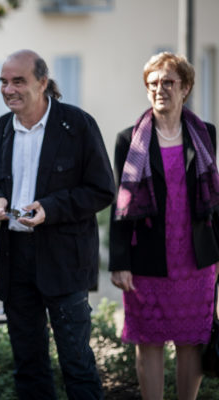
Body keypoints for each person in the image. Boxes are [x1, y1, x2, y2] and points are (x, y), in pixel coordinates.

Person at [0, 49, 115, 399]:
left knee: (77, 362)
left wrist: (50, 209)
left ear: (42, 82)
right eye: (4, 82)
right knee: (28, 365)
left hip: (64, 260)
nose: (8, 89)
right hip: (15, 259)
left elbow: (102, 190)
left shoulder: (77, 125)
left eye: (18, 81)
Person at [109, 52, 219, 400]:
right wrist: (119, 261)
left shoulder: (206, 135)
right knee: (149, 341)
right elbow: (121, 204)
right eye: (153, 84)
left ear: (185, 87)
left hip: (196, 257)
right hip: (148, 257)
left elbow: (214, 200)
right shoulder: (129, 139)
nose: (160, 89)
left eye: (169, 82)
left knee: (192, 341)